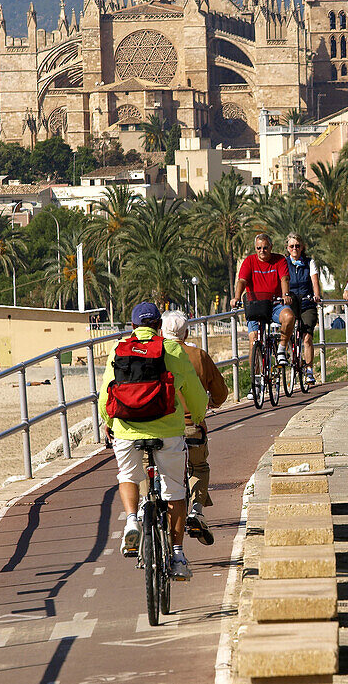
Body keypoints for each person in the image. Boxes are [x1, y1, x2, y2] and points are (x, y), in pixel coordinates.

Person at [98, 302, 209, 581]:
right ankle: (179, 555)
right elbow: (195, 394)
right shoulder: (172, 350)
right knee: (175, 490)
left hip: (127, 429)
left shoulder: (119, 349)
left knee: (127, 475)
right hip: (167, 431)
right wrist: (197, 417)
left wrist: (109, 423)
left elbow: (104, 396)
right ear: (159, 326)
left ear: (133, 327)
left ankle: (132, 522)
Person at [160, 310, 227, 545]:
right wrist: (212, 402)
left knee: (159, 468)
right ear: (186, 332)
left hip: (161, 428)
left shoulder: (156, 354)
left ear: (161, 331)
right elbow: (221, 392)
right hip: (192, 426)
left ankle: (145, 510)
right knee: (199, 466)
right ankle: (196, 511)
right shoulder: (198, 355)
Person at [230, 233, 294, 368]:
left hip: (275, 305)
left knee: (289, 317)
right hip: (256, 306)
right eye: (258, 248)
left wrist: (285, 294)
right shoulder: (249, 261)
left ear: (271, 247)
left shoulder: (280, 260)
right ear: (255, 248)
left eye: (265, 248)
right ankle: (256, 380)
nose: (262, 251)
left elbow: (284, 278)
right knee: (254, 341)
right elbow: (242, 280)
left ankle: (282, 349)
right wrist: (236, 297)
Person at [285, 232, 322, 385]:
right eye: (292, 246)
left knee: (307, 337)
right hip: (291, 302)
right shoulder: (284, 263)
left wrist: (317, 295)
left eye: (297, 246)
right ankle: (291, 355)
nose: (295, 248)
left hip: (307, 302)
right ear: (287, 248)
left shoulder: (309, 262)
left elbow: (314, 281)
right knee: (286, 330)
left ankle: (309, 371)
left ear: (302, 248)